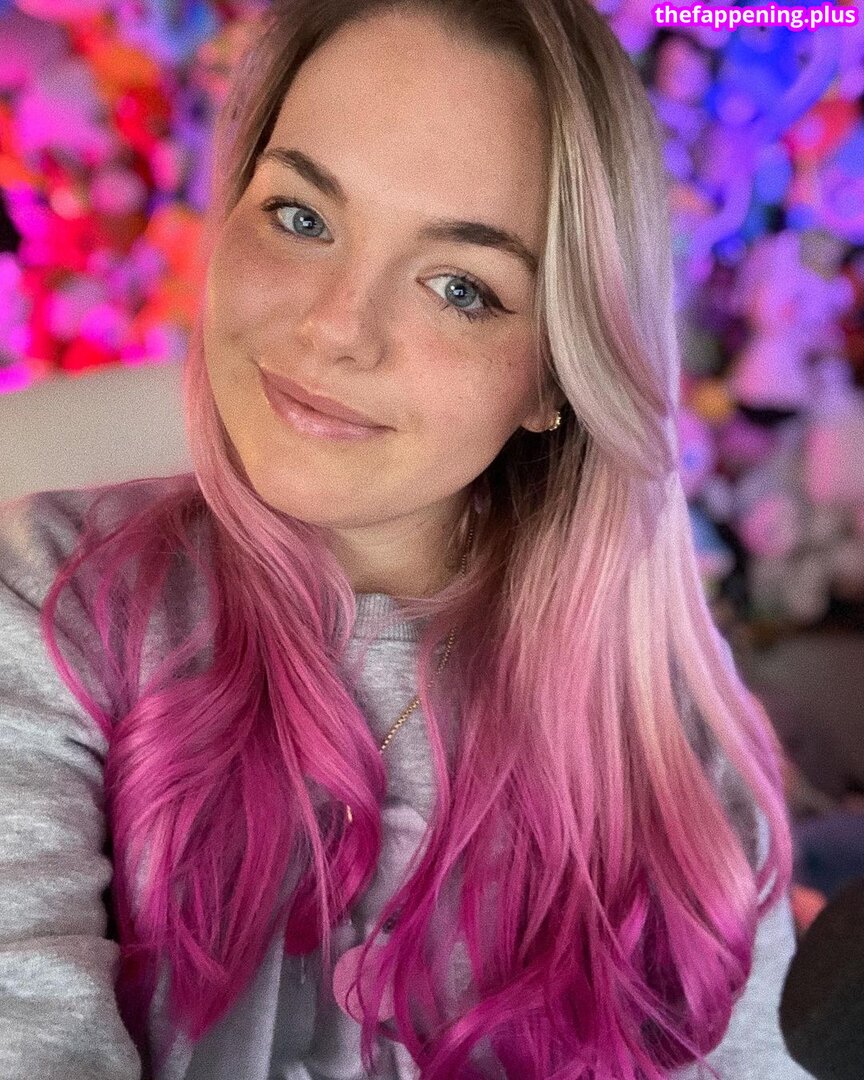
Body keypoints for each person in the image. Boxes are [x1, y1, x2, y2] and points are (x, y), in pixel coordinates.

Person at [0, 1, 813, 1078]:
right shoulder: (47, 602)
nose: (335, 325)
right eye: (300, 216)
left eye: (461, 287)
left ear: (556, 375)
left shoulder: (676, 755)